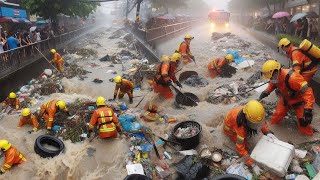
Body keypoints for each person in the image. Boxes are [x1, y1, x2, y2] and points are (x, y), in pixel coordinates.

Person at [259, 60, 315, 136]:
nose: (271, 79)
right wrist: (266, 92)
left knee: (303, 123)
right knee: (275, 118)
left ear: (277, 71)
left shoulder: (293, 78)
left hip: (299, 101)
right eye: (270, 78)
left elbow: (308, 92)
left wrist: (308, 109)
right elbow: (273, 83)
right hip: (286, 99)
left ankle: (309, 137)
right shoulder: (275, 77)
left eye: (272, 77)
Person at [223, 100, 271, 175]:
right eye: (253, 123)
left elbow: (261, 123)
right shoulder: (241, 127)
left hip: (239, 122)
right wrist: (252, 164)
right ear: (246, 118)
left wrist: (267, 132)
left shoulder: (253, 113)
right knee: (245, 145)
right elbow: (239, 147)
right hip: (231, 130)